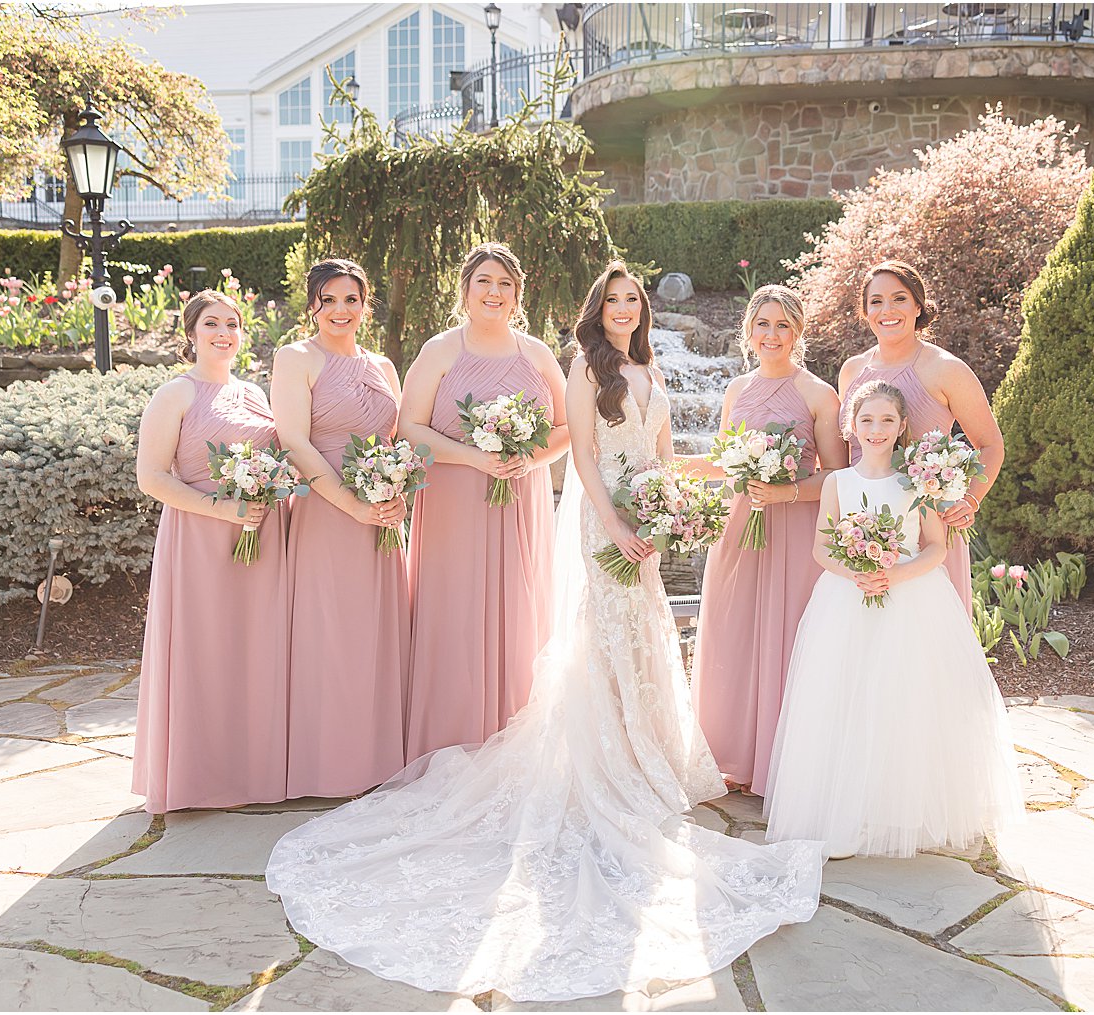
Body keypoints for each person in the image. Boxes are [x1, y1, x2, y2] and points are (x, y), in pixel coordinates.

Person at [266, 261, 822, 1003]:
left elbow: (617, 447)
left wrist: (658, 504)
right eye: (613, 299)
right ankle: (570, 750)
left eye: (634, 300)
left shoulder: (617, 364)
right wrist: (578, 498)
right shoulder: (561, 361)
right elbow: (566, 452)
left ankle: (641, 748)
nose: (624, 309)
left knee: (633, 633)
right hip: (563, 514)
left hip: (611, 515)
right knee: (584, 632)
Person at [765, 380, 1024, 859]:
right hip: (846, 599)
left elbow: (936, 547)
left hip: (911, 598)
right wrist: (858, 573)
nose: (876, 429)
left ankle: (901, 808)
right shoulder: (838, 483)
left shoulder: (917, 482)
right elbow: (821, 547)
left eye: (886, 420)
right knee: (848, 697)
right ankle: (850, 808)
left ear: (903, 426)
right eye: (866, 420)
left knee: (905, 699)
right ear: (851, 427)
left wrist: (895, 573)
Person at [396, 243, 569, 761]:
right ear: (466, 291)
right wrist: (475, 457)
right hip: (454, 496)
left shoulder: (537, 353)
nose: (494, 293)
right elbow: (409, 427)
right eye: (484, 283)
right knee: (456, 605)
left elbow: (567, 428)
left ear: (517, 296)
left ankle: (517, 728)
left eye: (505, 285)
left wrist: (528, 457)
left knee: (520, 604)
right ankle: (451, 730)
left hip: (520, 495)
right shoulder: (440, 350)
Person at [685, 285, 848, 796]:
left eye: (782, 325)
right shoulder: (736, 390)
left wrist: (787, 491)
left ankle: (784, 764)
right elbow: (723, 459)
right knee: (733, 631)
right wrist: (666, 465)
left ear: (797, 331)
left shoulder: (819, 395)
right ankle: (733, 755)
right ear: (748, 331)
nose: (771, 335)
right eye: (763, 325)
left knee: (787, 636)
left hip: (795, 528)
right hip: (741, 526)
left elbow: (839, 478)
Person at [132, 290, 288, 813]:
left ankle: (252, 769)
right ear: (191, 333)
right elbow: (151, 477)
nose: (224, 333)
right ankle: (198, 778)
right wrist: (221, 511)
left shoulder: (256, 395)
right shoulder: (175, 394)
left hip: (259, 538)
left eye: (233, 324)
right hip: (200, 537)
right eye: (212, 324)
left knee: (255, 651)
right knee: (205, 652)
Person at [271, 258, 408, 799]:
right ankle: (328, 765)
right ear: (312, 306)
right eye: (328, 300)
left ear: (364, 305)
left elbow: (398, 441)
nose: (340, 310)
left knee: (379, 629)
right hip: (327, 511)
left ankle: (379, 758)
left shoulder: (383, 366)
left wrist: (395, 492)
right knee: (330, 633)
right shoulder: (295, 359)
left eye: (351, 299)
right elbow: (294, 443)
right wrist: (351, 504)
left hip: (381, 514)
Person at [837, 260, 1004, 616]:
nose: (888, 310)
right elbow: (846, 454)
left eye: (899, 299)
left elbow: (990, 444)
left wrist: (970, 500)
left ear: (918, 306)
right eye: (876, 301)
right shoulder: (852, 371)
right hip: (861, 531)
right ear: (865, 311)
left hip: (929, 530)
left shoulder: (946, 369)